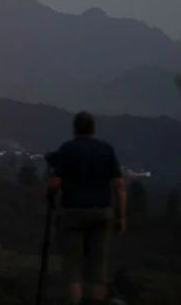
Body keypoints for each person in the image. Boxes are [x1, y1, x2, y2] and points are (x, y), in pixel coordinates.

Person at [47, 111, 126, 305]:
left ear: (75, 129)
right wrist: (121, 217)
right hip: (102, 213)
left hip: (73, 213)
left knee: (73, 268)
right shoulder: (107, 150)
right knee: (98, 269)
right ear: (93, 128)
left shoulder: (67, 149)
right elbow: (120, 186)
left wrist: (50, 194)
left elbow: (55, 184)